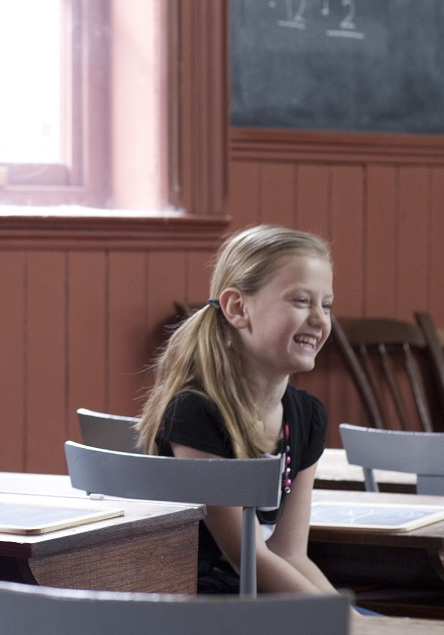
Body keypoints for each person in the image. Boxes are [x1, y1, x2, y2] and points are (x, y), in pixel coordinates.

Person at [134, 224, 338, 595]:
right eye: (301, 301)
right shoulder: (195, 413)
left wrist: (354, 618)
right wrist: (346, 623)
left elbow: (290, 554)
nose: (320, 319)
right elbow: (246, 557)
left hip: (262, 601)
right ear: (237, 308)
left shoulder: (306, 416)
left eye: (326, 305)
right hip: (204, 608)